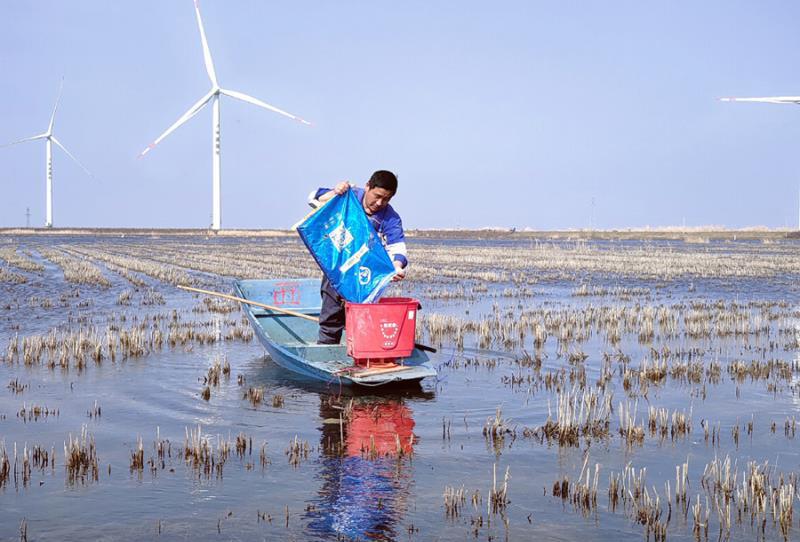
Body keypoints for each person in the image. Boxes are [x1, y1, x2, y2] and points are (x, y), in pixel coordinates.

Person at [308, 170, 408, 344]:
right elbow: (313, 199)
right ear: (367, 186)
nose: (379, 203)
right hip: (337, 268)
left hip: (365, 274)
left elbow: (397, 247)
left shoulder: (390, 217)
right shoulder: (349, 195)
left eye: (386, 199)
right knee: (330, 318)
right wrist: (335, 192)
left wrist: (396, 266)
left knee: (362, 321)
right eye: (377, 196)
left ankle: (361, 355)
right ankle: (326, 352)